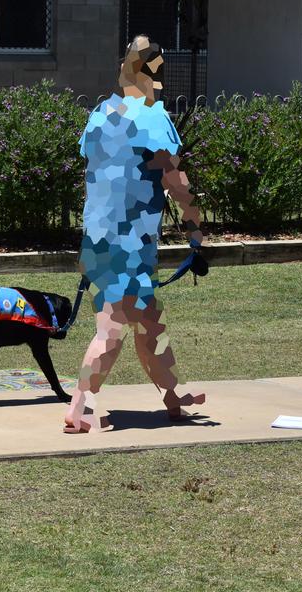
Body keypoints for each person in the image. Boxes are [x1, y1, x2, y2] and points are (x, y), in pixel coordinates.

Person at [64, 35, 207, 434]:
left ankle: (173, 396)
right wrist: (194, 227)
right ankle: (81, 407)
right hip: (129, 243)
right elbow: (176, 180)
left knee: (149, 324)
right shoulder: (152, 116)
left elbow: (90, 176)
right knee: (111, 328)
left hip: (99, 239)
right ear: (153, 74)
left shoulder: (100, 115)